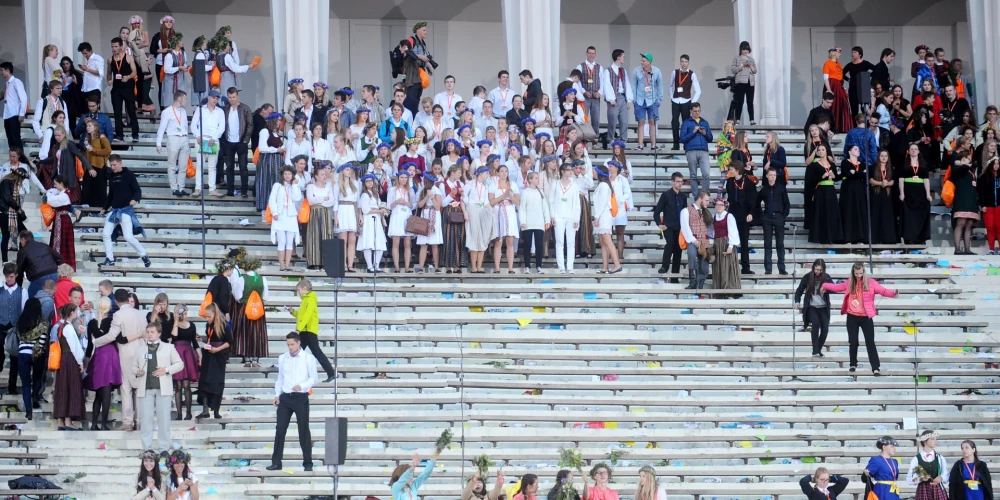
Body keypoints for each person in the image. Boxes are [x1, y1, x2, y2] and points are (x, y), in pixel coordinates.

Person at [822, 262, 897, 375]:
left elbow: (882, 290)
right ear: (853, 272)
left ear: (864, 272)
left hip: (866, 317)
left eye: (860, 273)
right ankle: (853, 364)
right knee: (853, 341)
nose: (858, 275)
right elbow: (837, 287)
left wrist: (893, 293)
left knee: (870, 342)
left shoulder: (871, 283)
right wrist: (825, 285)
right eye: (856, 273)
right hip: (852, 316)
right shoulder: (850, 282)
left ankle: (875, 367)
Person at [265, 331, 317, 472]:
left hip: (300, 396)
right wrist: (277, 395)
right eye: (288, 345)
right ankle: (276, 462)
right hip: (285, 397)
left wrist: (303, 386)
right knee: (280, 429)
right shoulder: (283, 358)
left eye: (292, 344)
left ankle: (308, 462)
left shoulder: (308, 358)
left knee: (303, 430)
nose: (290, 347)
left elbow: (313, 378)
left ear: (299, 343)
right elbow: (280, 378)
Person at [134, 322, 183, 451]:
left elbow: (180, 364)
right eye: (148, 332)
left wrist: (166, 369)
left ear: (159, 333)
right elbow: (134, 366)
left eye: (152, 332)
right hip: (145, 388)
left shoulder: (169, 347)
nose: (150, 335)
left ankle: (164, 448)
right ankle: (147, 449)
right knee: (146, 421)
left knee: (164, 420)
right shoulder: (140, 349)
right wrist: (137, 371)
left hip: (163, 388)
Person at [108, 287, 146, 430]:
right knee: (140, 389)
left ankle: (128, 422)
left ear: (116, 301)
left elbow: (113, 336)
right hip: (141, 352)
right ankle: (140, 421)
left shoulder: (118, 315)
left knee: (126, 389)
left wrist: (98, 341)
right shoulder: (141, 314)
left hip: (126, 353)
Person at [101, 155, 150, 267]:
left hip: (125, 210)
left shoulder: (129, 175)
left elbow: (137, 190)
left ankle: (143, 255)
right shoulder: (112, 176)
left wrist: (135, 199)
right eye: (111, 165)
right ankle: (110, 258)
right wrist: (105, 207)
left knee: (128, 236)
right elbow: (111, 194)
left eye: (114, 165)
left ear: (120, 163)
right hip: (114, 210)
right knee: (106, 234)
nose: (112, 167)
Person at [288, 279, 335, 383]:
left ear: (304, 288)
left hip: (308, 331)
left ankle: (331, 373)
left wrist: (298, 329)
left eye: (298, 290)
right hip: (305, 330)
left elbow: (307, 316)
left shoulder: (310, 299)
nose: (298, 292)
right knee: (298, 351)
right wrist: (292, 312)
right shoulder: (305, 300)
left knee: (314, 352)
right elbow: (302, 315)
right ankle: (292, 373)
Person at [51, 303, 84, 429]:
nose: (77, 314)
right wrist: (80, 362)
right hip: (70, 359)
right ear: (71, 312)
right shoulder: (69, 328)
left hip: (63, 359)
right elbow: (74, 347)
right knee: (71, 388)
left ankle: (61, 420)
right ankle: (68, 421)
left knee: (62, 388)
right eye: (75, 312)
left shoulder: (60, 326)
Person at [231, 254, 268, 367]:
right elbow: (265, 297)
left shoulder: (242, 279)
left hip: (245, 308)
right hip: (258, 308)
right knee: (257, 332)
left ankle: (247, 359)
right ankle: (255, 359)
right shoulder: (263, 279)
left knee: (245, 332)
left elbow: (237, 296)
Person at [14, 296, 47, 419]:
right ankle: (35, 397)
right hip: (37, 354)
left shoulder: (20, 321)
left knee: (26, 384)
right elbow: (43, 339)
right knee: (38, 378)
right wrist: (38, 349)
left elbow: (19, 338)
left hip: (23, 354)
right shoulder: (42, 322)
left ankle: (28, 411)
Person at [196, 303, 230, 419]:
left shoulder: (223, 325)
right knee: (205, 381)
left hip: (219, 356)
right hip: (209, 355)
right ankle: (205, 408)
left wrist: (218, 349)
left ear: (215, 314)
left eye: (209, 316)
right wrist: (203, 340)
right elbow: (211, 339)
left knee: (217, 383)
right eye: (206, 317)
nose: (207, 319)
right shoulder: (208, 325)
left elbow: (229, 341)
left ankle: (216, 410)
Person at [190, 89, 226, 197]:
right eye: (213, 97)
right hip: (202, 139)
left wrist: (214, 138)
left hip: (213, 140)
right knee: (200, 165)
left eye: (217, 98)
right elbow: (193, 125)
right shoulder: (200, 109)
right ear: (208, 97)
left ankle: (212, 189)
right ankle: (198, 188)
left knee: (212, 166)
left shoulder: (220, 111)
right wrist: (197, 136)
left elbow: (222, 127)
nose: (215, 100)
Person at [805, 144, 843, 244]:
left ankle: (833, 236)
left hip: (831, 190)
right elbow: (811, 179)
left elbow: (836, 178)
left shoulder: (832, 164)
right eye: (819, 150)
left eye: (823, 150)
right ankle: (821, 237)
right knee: (821, 212)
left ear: (826, 151)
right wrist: (822, 176)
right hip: (821, 190)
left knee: (831, 212)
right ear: (817, 152)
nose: (821, 151)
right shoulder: (815, 165)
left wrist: (833, 176)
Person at [794, 259, 833, 356]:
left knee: (825, 329)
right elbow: (799, 290)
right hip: (811, 306)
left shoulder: (827, 277)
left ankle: (818, 349)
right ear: (813, 268)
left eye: (820, 270)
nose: (818, 272)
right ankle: (815, 349)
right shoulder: (807, 277)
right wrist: (797, 301)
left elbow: (834, 289)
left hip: (823, 307)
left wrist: (827, 288)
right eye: (816, 269)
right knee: (815, 324)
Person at [549, 163, 581, 274]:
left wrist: (576, 219)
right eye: (568, 170)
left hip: (571, 217)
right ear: (562, 171)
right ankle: (561, 266)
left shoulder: (574, 185)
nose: (570, 172)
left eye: (571, 170)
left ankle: (570, 266)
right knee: (559, 242)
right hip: (558, 216)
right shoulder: (555, 184)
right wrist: (552, 215)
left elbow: (577, 203)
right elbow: (551, 201)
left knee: (571, 242)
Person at [156, 91, 190, 197]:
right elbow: (162, 128)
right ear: (179, 99)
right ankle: (174, 188)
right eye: (184, 98)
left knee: (183, 166)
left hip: (183, 138)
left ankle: (181, 187)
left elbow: (184, 126)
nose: (186, 100)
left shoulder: (183, 111)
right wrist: (158, 143)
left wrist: (187, 140)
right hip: (173, 138)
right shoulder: (167, 112)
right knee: (172, 165)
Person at [756, 168, 789, 275]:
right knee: (768, 243)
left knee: (780, 243)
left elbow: (786, 203)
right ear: (767, 176)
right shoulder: (764, 189)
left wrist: (783, 216)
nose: (773, 177)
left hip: (779, 217)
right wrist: (762, 216)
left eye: (774, 175)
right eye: (771, 175)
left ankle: (781, 267)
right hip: (767, 218)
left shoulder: (781, 188)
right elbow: (757, 203)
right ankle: (768, 268)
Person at [724, 161, 755, 274]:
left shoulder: (748, 182)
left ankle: (745, 267)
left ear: (737, 169)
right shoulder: (729, 182)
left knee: (744, 242)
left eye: (731, 169)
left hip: (744, 215)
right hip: (732, 215)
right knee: (731, 242)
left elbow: (752, 200)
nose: (729, 171)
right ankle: (730, 267)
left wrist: (751, 213)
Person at [107, 37, 139, 143]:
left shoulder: (129, 58)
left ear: (121, 46)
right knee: (117, 112)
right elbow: (109, 73)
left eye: (116, 46)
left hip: (128, 88)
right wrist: (109, 80)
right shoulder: (110, 59)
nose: (114, 49)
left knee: (131, 111)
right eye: (112, 47)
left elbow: (134, 72)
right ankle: (119, 134)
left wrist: (128, 77)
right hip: (116, 89)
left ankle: (135, 134)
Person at [899, 143, 932, 244]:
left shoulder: (923, 164)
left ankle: (920, 237)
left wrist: (928, 194)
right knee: (908, 216)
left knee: (920, 215)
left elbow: (926, 180)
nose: (913, 151)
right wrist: (902, 193)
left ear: (918, 151)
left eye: (915, 149)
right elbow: (901, 179)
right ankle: (908, 237)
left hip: (920, 192)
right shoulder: (904, 163)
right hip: (909, 192)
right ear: (908, 151)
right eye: (911, 149)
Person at [222, 88, 252, 197]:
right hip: (228, 142)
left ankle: (244, 191)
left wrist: (245, 140)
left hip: (241, 142)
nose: (232, 99)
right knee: (229, 167)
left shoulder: (245, 108)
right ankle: (230, 190)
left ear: (237, 96)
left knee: (243, 167)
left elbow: (250, 125)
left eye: (233, 97)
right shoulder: (225, 109)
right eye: (230, 97)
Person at [591, 165, 622, 274]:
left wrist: (597, 217)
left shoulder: (604, 185)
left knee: (607, 241)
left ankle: (617, 264)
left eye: (594, 171)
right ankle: (605, 267)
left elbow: (603, 202)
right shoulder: (601, 185)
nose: (593, 173)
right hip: (601, 215)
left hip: (603, 215)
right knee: (603, 243)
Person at [463, 166, 494, 274]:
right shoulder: (470, 184)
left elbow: (486, 202)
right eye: (486, 173)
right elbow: (464, 199)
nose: (487, 175)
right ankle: (473, 267)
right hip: (472, 209)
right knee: (474, 236)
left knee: (482, 238)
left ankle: (479, 266)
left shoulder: (485, 186)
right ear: (480, 173)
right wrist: (465, 212)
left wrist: (491, 210)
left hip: (482, 210)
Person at [491, 164, 519, 274]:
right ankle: (497, 268)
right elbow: (491, 201)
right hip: (498, 212)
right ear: (497, 173)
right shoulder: (493, 185)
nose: (503, 173)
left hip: (510, 212)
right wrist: (503, 196)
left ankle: (510, 268)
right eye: (501, 171)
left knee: (510, 240)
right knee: (498, 241)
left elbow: (517, 201)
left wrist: (509, 194)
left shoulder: (513, 185)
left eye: (505, 171)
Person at [15, 230, 61, 298]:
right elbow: (59, 258)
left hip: (38, 277)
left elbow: (19, 272)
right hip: (54, 274)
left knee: (31, 301)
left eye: (20, 241)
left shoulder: (23, 251)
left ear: (23, 239)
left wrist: (18, 288)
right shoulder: (44, 245)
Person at [632, 53, 663, 150]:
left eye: (644, 61)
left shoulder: (657, 71)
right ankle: (640, 145)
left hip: (652, 100)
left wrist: (659, 99)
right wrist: (634, 100)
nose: (642, 62)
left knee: (652, 122)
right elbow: (633, 85)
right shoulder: (636, 71)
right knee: (641, 122)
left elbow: (660, 86)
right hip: (640, 100)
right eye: (641, 60)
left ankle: (653, 145)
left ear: (649, 62)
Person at [681, 191, 712, 290]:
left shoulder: (706, 211)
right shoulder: (686, 211)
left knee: (704, 262)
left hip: (705, 240)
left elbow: (710, 228)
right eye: (706, 200)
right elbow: (685, 227)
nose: (708, 202)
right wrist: (693, 240)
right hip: (692, 240)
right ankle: (693, 281)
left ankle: (701, 282)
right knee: (692, 255)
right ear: (700, 199)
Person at [680, 103, 713, 197]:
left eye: (699, 111)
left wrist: (705, 133)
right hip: (691, 150)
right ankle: (696, 197)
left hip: (703, 150)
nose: (697, 113)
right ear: (691, 111)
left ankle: (704, 196)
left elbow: (710, 138)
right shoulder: (686, 123)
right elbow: (682, 139)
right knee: (693, 175)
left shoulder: (705, 122)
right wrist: (693, 132)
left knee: (706, 174)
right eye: (695, 111)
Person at [906, 430, 950, 500]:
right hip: (923, 491)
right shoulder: (916, 459)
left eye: (936, 439)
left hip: (937, 490)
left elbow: (946, 475)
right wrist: (921, 478)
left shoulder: (940, 458)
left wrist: (941, 478)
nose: (936, 441)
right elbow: (909, 480)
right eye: (932, 439)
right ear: (924, 441)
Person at [840, 144, 870, 244]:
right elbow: (848, 174)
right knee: (849, 210)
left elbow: (865, 176)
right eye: (855, 149)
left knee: (859, 210)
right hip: (848, 189)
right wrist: (860, 174)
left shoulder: (862, 164)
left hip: (860, 189)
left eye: (858, 149)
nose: (858, 151)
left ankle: (860, 237)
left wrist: (855, 173)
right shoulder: (845, 162)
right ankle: (848, 236)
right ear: (849, 152)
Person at [710, 196, 741, 293]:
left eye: (721, 205)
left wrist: (731, 246)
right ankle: (719, 290)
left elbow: (733, 231)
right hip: (717, 244)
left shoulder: (729, 216)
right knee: (718, 266)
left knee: (728, 266)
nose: (719, 206)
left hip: (726, 243)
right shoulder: (714, 217)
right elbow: (711, 232)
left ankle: (730, 289)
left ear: (725, 206)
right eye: (717, 204)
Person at [601, 50, 633, 141]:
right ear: (618, 57)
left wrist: (629, 99)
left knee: (624, 121)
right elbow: (607, 85)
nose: (624, 58)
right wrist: (611, 99)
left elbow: (626, 84)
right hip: (614, 98)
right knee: (612, 121)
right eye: (623, 56)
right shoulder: (608, 71)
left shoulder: (623, 70)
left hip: (622, 97)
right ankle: (610, 139)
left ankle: (623, 140)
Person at [870, 150, 899, 244]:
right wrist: (880, 183)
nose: (883, 158)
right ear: (879, 157)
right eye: (882, 156)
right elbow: (870, 180)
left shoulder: (890, 168)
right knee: (876, 215)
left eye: (885, 156)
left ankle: (888, 238)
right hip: (876, 193)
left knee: (887, 216)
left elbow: (893, 180)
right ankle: (876, 238)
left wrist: (888, 183)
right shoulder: (874, 166)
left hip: (887, 193)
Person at [46, 176, 75, 269]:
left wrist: (47, 194)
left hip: (62, 220)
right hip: (62, 219)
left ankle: (60, 262)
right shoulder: (64, 192)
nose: (54, 186)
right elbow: (53, 191)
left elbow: (51, 201)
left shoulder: (64, 196)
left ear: (61, 183)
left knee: (61, 242)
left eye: (56, 184)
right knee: (62, 241)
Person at [0, 169, 27, 264]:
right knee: (6, 236)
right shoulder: (6, 182)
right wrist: (18, 208)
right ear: (18, 177)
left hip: (13, 213)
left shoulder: (14, 184)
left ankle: (22, 257)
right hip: (4, 212)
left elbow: (14, 200)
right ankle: (4, 260)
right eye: (22, 179)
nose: (22, 181)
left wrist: (19, 211)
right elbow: (8, 198)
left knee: (25, 233)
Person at [728, 41, 757, 125]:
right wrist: (742, 65)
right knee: (740, 101)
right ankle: (737, 120)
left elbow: (755, 71)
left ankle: (752, 120)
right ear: (741, 49)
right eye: (744, 49)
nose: (745, 51)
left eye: (747, 49)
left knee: (750, 102)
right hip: (740, 82)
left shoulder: (751, 59)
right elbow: (733, 70)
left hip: (750, 83)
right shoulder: (736, 58)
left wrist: (750, 65)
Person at [842, 46, 876, 117]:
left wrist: (868, 76)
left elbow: (876, 69)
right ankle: (855, 126)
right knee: (854, 110)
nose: (853, 54)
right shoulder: (850, 65)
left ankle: (866, 124)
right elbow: (841, 73)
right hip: (853, 89)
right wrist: (848, 79)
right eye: (852, 52)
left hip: (863, 88)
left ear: (860, 54)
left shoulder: (865, 63)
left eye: (855, 52)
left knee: (865, 108)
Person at [0, 62, 27, 149]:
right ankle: (13, 160)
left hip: (14, 114)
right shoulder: (7, 84)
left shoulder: (16, 82)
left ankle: (21, 160)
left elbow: (23, 98)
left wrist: (21, 114)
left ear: (7, 70)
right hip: (7, 114)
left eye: (2, 70)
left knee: (16, 139)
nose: (1, 72)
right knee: (10, 140)